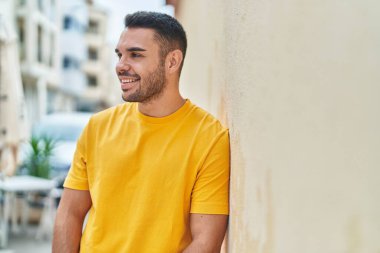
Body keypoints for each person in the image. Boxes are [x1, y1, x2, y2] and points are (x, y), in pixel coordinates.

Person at [53, 11, 230, 253]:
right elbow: (69, 214)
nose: (120, 66)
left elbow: (205, 243)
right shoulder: (97, 127)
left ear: (172, 62)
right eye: (120, 55)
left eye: (135, 55)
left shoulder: (209, 138)